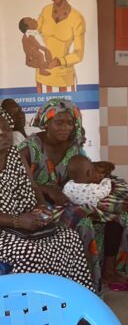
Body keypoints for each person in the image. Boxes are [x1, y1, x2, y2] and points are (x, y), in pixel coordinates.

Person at [19, 98, 128, 292]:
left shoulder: (74, 147)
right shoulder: (30, 148)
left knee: (117, 214)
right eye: (58, 122)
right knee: (81, 218)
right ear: (45, 122)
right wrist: (45, 189)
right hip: (38, 206)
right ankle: (87, 282)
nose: (65, 128)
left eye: (70, 123)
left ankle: (109, 271)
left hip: (69, 200)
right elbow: (18, 182)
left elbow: (82, 175)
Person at [0, 108, 95, 291]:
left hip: (22, 224)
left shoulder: (14, 154)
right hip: (6, 230)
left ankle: (70, 302)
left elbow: (34, 187)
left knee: (69, 238)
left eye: (4, 126)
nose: (3, 132)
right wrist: (17, 221)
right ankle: (31, 309)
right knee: (29, 251)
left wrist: (42, 207)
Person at [35, 0, 86, 92]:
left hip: (64, 79)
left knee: (65, 110)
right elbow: (34, 33)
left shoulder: (77, 18)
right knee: (42, 110)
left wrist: (59, 61)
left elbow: (79, 53)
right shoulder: (45, 11)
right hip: (42, 76)